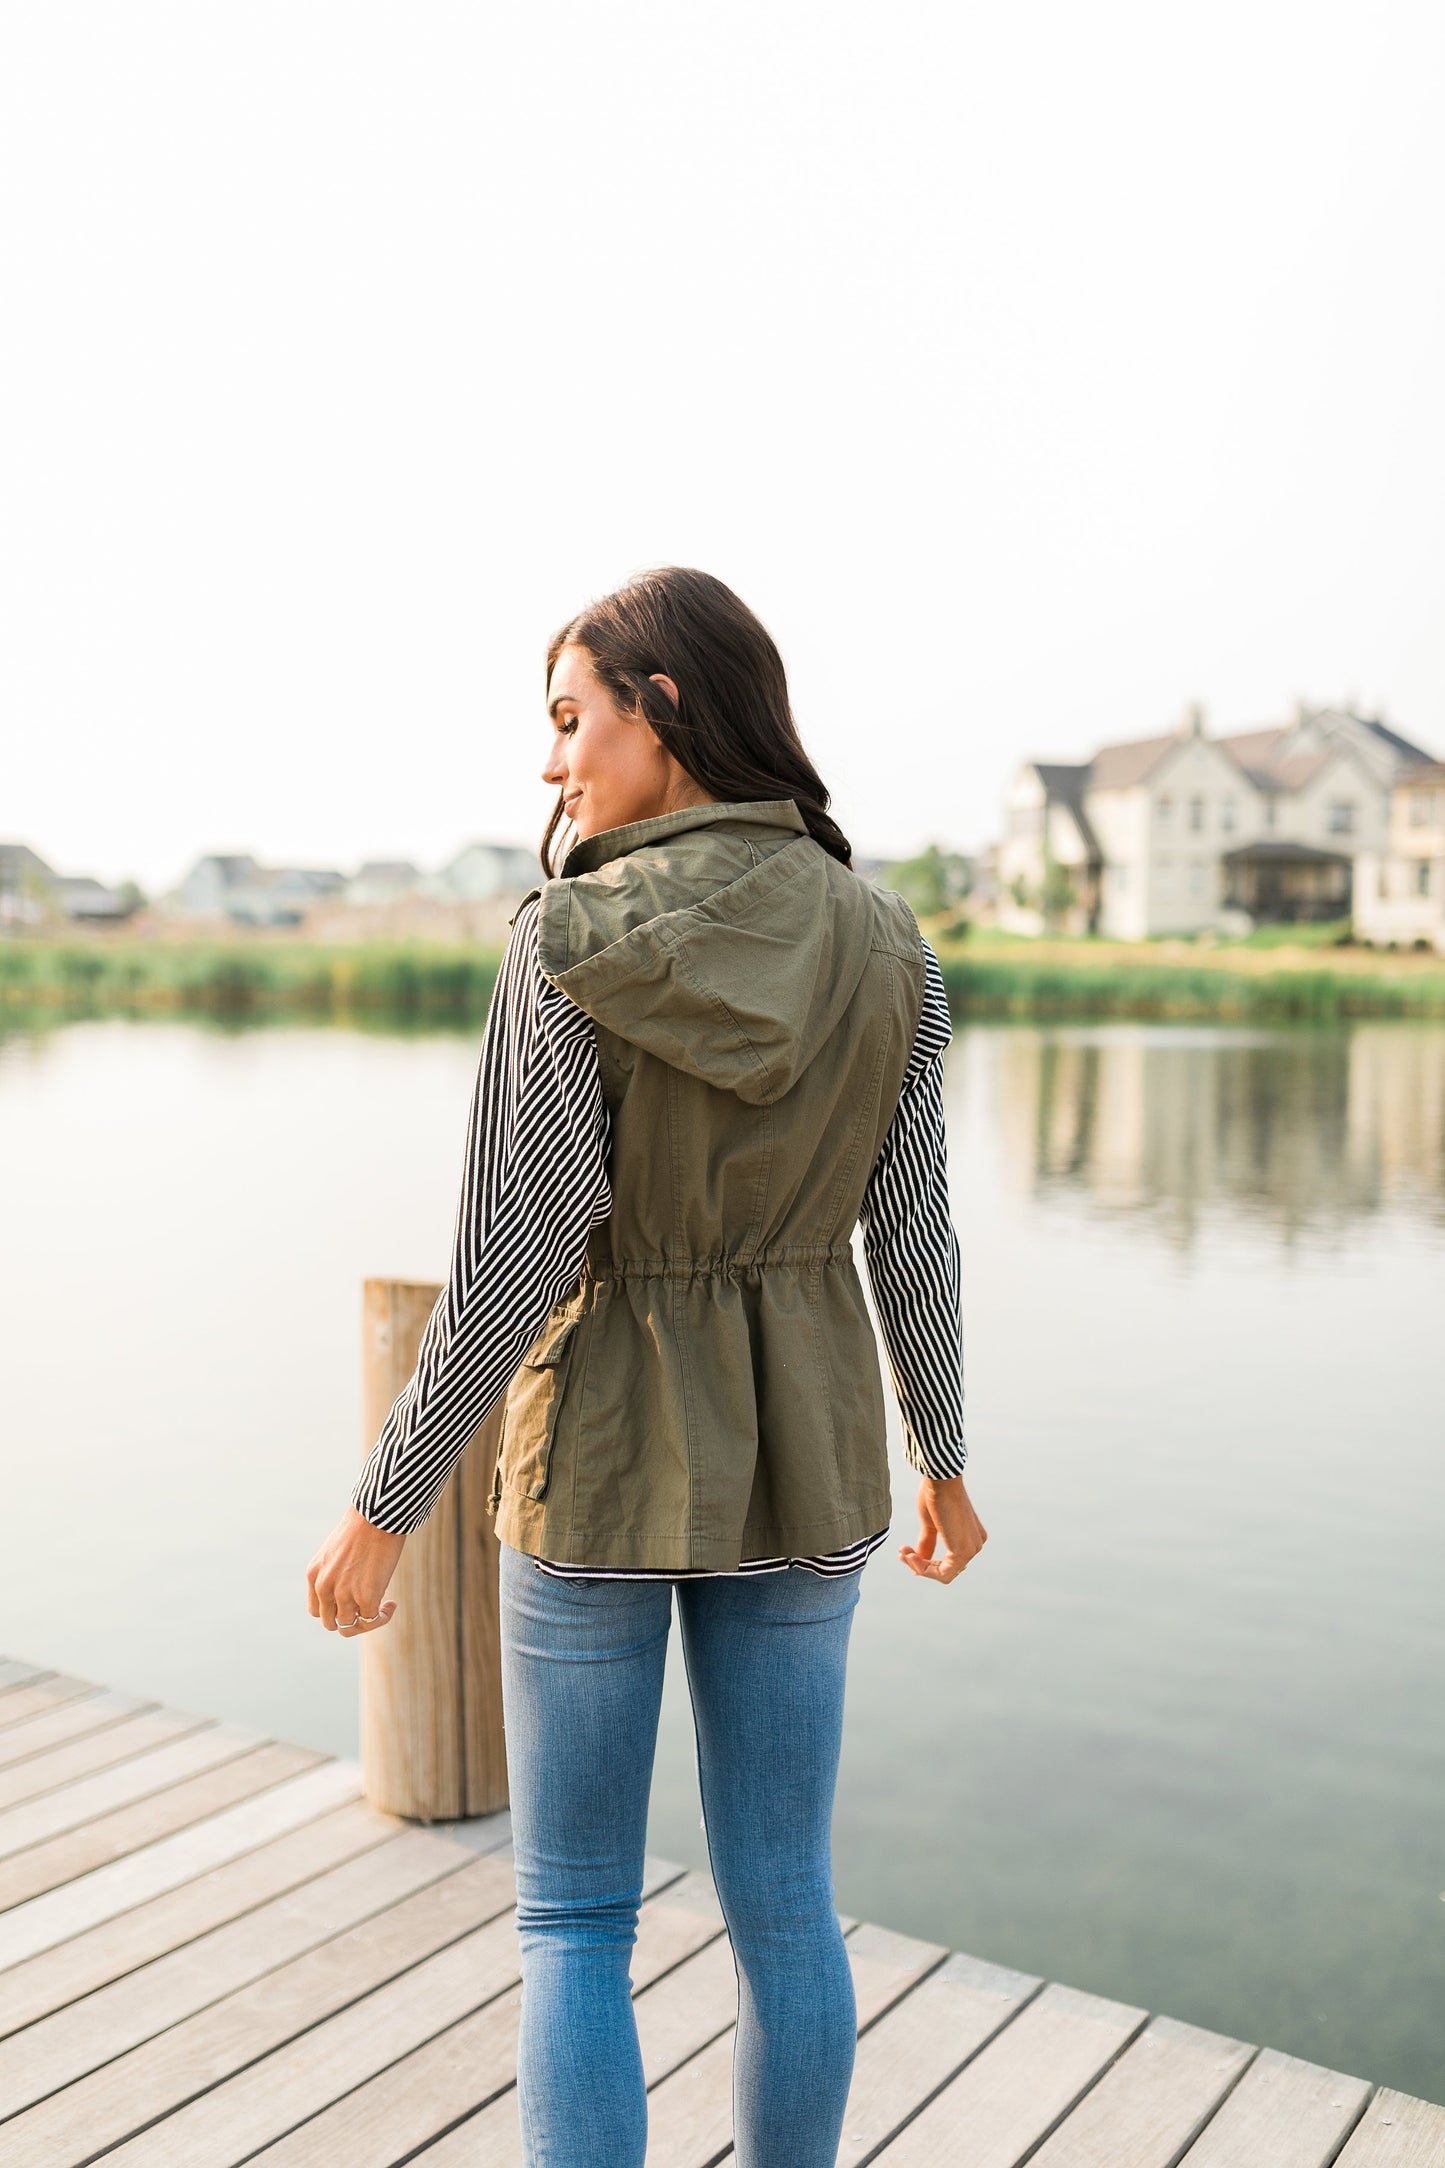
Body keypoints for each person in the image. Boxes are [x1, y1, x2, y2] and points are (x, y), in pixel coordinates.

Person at [305, 567, 987, 2168]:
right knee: (785, 1911)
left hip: (602, 1459)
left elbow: (516, 1255)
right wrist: (941, 1451)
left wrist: (382, 1504)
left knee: (572, 1924)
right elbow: (915, 1235)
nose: (551, 766)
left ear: (660, 709)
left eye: (568, 720)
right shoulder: (889, 943)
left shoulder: (563, 937)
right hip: (810, 1456)